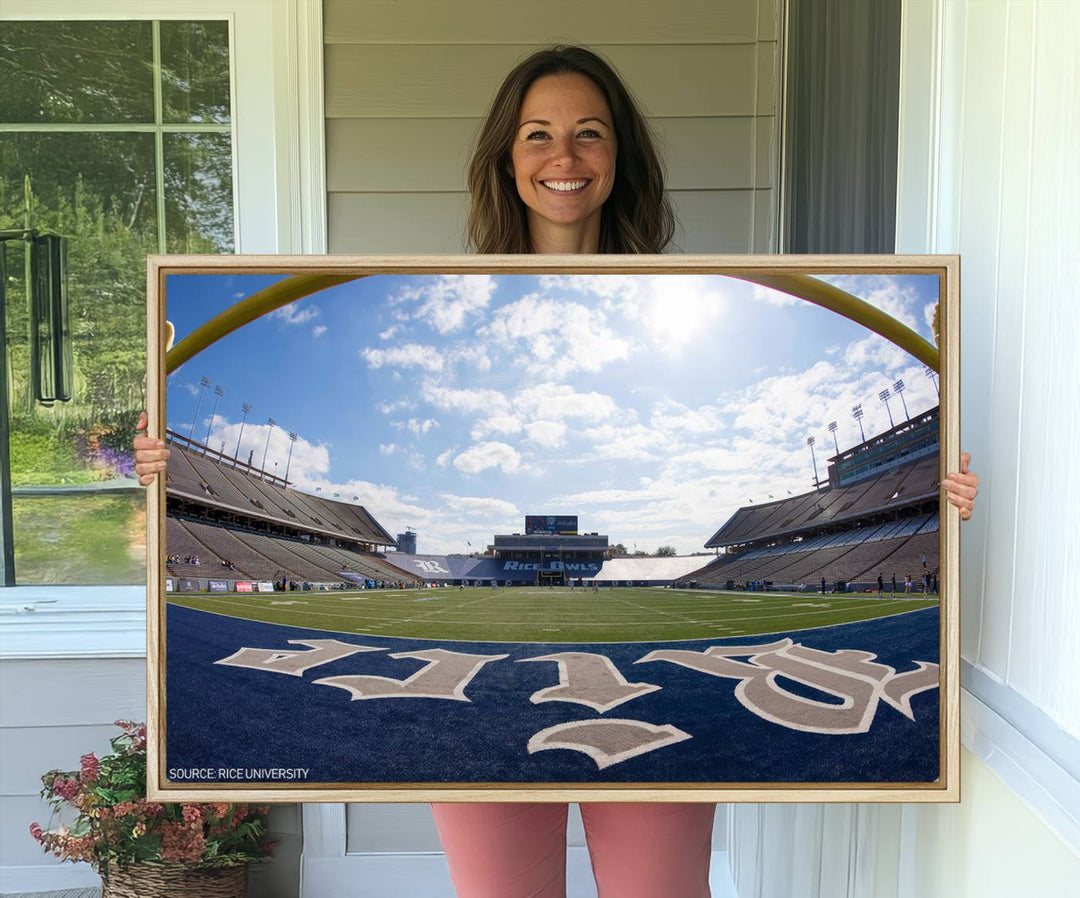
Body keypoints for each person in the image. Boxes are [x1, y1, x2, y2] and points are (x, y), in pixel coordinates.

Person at [134, 44, 981, 898]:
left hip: (647, 710)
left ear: (620, 157)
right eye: (538, 134)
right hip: (475, 714)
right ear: (507, 157)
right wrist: (158, 465)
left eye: (589, 133)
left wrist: (938, 498)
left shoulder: (688, 304)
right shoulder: (442, 296)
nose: (563, 157)